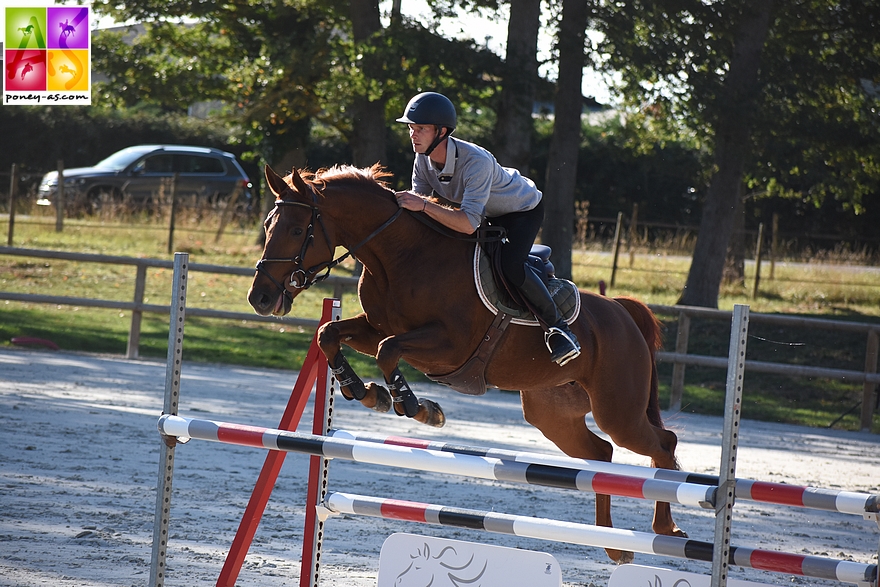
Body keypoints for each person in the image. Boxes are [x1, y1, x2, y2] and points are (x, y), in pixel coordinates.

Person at [394, 91, 581, 366]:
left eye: (420, 128)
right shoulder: (422, 159)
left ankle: (559, 329)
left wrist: (421, 206)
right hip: (485, 214)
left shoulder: (475, 161)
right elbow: (421, 208)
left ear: (442, 132)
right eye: (411, 128)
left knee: (510, 266)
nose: (413, 134)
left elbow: (465, 222)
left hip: (521, 211)